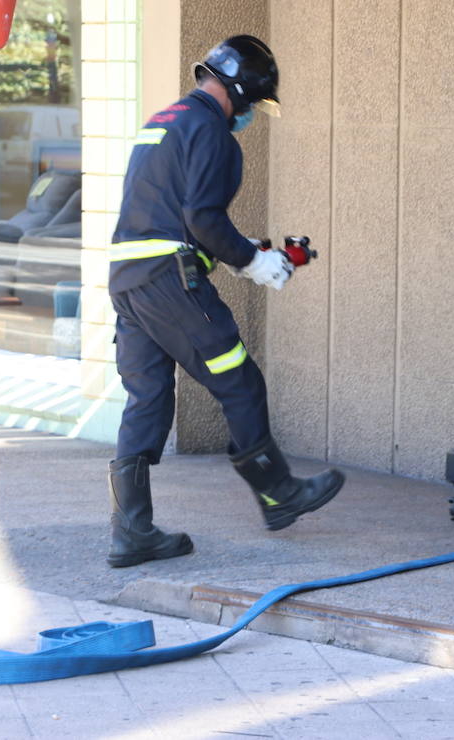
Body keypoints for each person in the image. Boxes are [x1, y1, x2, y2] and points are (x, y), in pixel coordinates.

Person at [105, 34, 344, 568]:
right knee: (238, 379)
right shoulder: (213, 131)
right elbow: (203, 220)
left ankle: (131, 532)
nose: (251, 115)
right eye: (255, 104)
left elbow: (176, 218)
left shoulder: (163, 121)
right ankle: (278, 493)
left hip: (128, 280)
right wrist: (256, 262)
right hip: (170, 282)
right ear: (241, 91)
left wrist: (247, 252)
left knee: (146, 400)